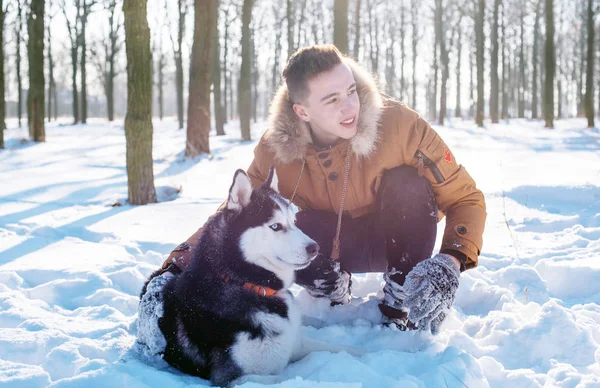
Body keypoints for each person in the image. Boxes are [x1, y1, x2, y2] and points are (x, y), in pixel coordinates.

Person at [142, 44, 486, 339]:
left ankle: (402, 299)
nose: (350, 107)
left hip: (397, 237)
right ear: (302, 111)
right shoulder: (276, 148)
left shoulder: (400, 125)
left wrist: (451, 261)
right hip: (324, 249)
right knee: (280, 220)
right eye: (332, 100)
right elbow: (234, 219)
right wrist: (175, 266)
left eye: (351, 91)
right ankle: (330, 286)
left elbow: (466, 198)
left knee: (409, 185)